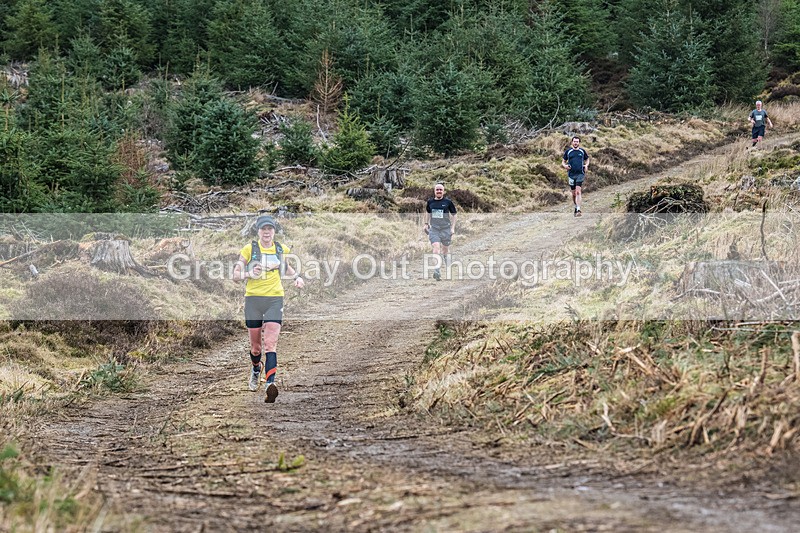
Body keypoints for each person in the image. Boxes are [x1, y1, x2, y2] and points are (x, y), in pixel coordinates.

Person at [233, 215, 304, 403]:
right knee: (256, 348)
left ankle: (269, 385)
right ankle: (256, 369)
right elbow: (235, 275)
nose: (267, 232)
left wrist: (297, 276)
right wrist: (250, 273)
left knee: (270, 344)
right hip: (253, 300)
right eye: (263, 229)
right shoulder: (249, 249)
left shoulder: (280, 248)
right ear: (258, 231)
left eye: (270, 229)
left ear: (274, 231)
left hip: (275, 299)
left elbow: (285, 266)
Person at [424, 183, 457, 281]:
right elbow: (427, 212)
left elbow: (454, 215)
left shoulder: (448, 202)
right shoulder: (430, 202)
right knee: (436, 248)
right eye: (437, 189)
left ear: (443, 191)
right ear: (434, 191)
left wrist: (452, 228)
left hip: (445, 229)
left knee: (445, 250)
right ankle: (437, 270)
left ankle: (447, 261)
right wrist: (426, 224)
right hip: (434, 229)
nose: (439, 191)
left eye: (440, 190)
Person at [562, 136, 589, 217]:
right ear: (572, 142)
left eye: (577, 141)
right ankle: (576, 206)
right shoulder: (568, 152)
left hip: (580, 173)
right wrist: (565, 166)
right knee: (574, 194)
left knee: (578, 191)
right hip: (571, 174)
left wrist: (586, 165)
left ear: (579, 142)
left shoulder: (582, 151)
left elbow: (587, 159)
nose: (576, 143)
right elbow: (563, 161)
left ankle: (578, 209)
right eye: (574, 141)